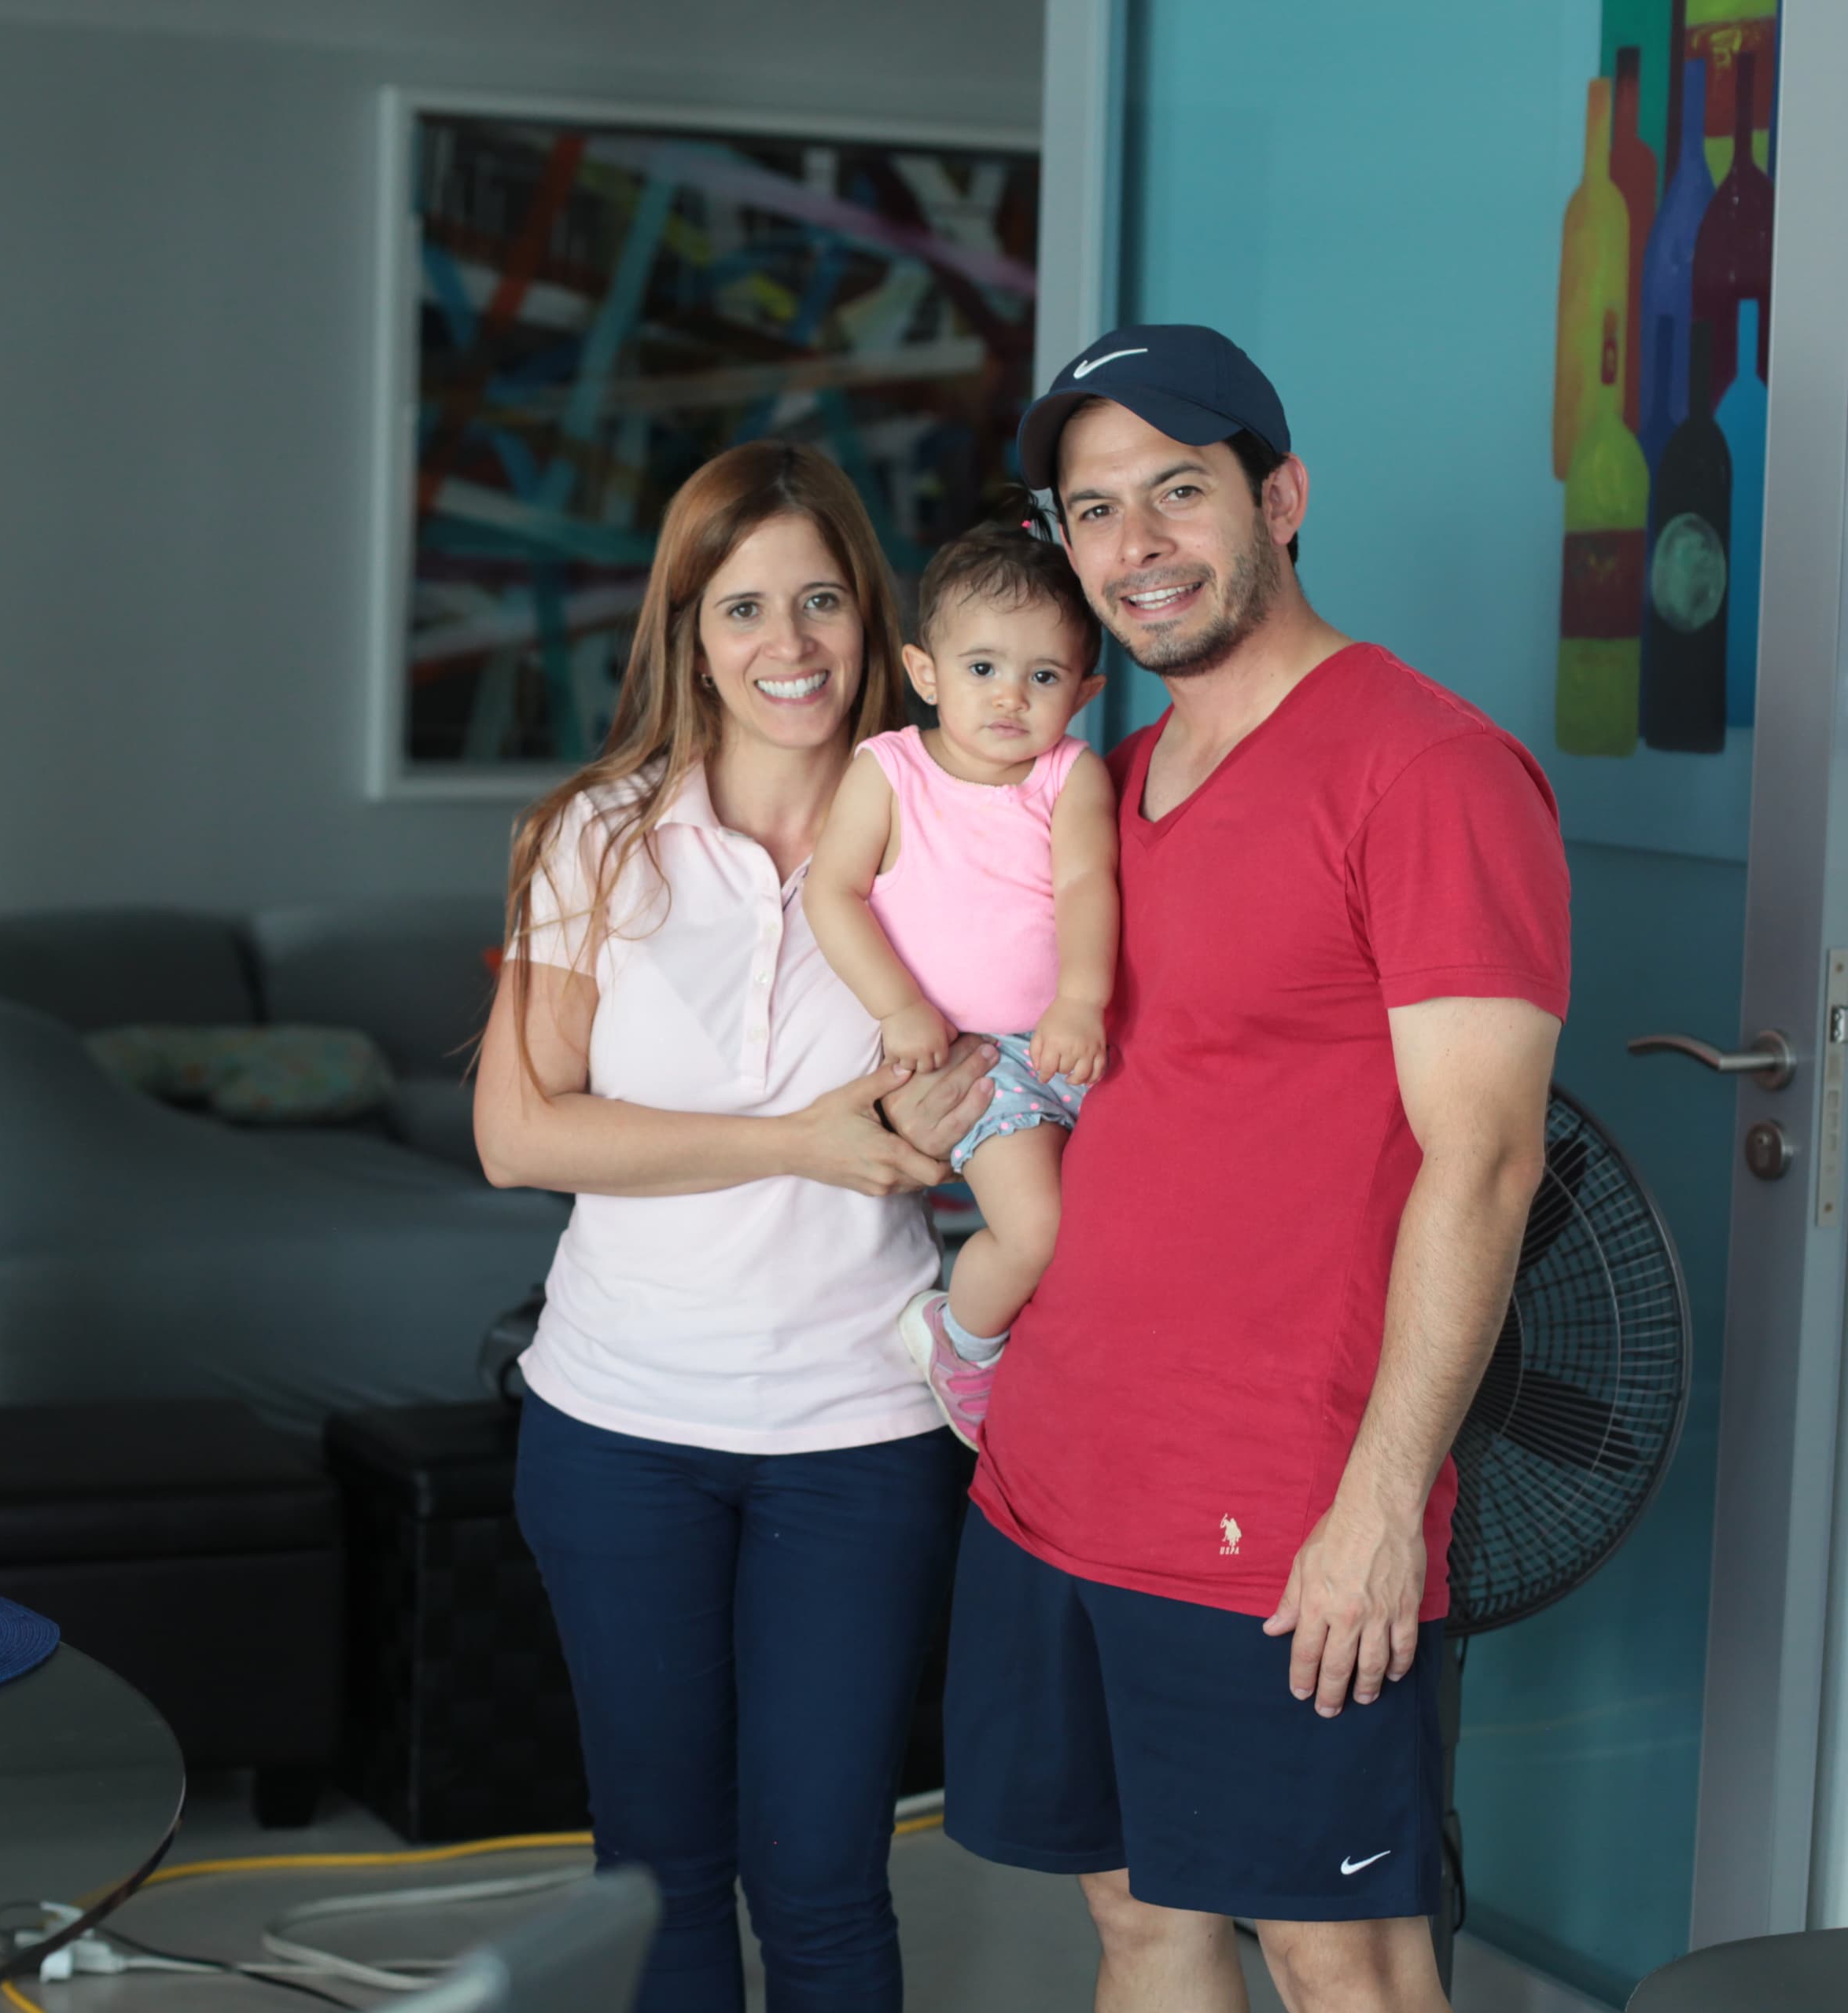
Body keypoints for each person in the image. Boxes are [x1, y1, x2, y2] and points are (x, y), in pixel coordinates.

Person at [941, 325, 1570, 2013]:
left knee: (1341, 1954)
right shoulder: (1111, 787)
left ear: (1280, 498)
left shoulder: (1425, 770)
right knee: (1141, 1921)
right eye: (1093, 511)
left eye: (1178, 492)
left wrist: (1379, 1504)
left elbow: (1490, 1160)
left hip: (1280, 1512)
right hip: (1062, 1470)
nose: (1136, 546)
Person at [473, 437, 999, 2013]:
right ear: (688, 632)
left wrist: (960, 1108)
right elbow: (518, 1131)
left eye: (823, 599)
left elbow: (1012, 1077)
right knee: (659, 1865)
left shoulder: (957, 838)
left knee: (827, 1874)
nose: (789, 646)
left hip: (860, 1428)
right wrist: (799, 1143)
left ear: (874, 618)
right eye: (743, 606)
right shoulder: (600, 837)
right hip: (618, 1424)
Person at [804, 507, 1115, 1448]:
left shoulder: (1070, 774)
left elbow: (1087, 882)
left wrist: (1083, 999)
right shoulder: (890, 770)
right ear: (925, 672)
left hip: (1077, 1043)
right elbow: (833, 895)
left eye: (1044, 675)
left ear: (1085, 692)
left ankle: (1064, 1369)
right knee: (1036, 1232)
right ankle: (963, 1340)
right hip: (977, 1059)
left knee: (1114, 1241)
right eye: (983, 669)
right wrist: (901, 1008)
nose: (1011, 697)